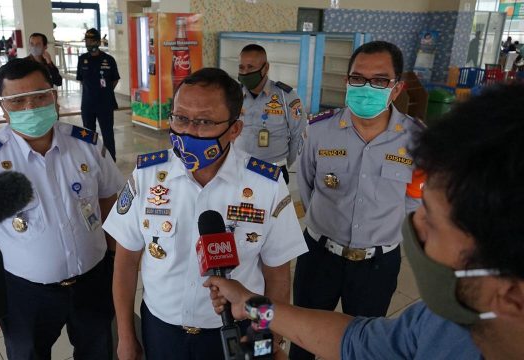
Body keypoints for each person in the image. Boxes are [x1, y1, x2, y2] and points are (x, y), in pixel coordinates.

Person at [207, 82, 524, 360]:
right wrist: (251, 305)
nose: (414, 227)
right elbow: (355, 342)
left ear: (511, 295)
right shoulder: (445, 322)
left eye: (433, 224)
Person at [102, 67, 308, 360]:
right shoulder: (147, 176)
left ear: (235, 129)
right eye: (181, 118)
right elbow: (125, 261)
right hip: (162, 329)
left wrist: (270, 338)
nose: (187, 131)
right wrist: (125, 335)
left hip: (237, 330)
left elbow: (277, 274)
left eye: (204, 122)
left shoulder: (266, 185)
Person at [0, 58, 124, 360]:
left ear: (54, 95)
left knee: (98, 350)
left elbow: (109, 199)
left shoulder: (87, 144)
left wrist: (114, 262)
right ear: (3, 107)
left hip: (93, 280)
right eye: (18, 101)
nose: (31, 107)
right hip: (23, 292)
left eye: (40, 96)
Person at [291, 41, 425, 359]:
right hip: (318, 255)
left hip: (377, 264)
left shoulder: (418, 139)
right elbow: (307, 186)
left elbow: (415, 200)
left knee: (364, 347)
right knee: (303, 339)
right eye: (357, 78)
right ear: (346, 81)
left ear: (396, 89)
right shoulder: (319, 131)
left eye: (379, 80)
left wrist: (383, 224)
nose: (366, 87)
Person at [235, 44, 306, 184]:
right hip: (239, 167)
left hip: (273, 169)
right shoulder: (233, 95)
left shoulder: (286, 96)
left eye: (251, 67)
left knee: (273, 206)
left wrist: (283, 164)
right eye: (241, 67)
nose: (245, 72)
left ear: (266, 68)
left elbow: (299, 135)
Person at [77, 28, 120, 162]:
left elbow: (114, 80)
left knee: (107, 134)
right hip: (88, 104)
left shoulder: (109, 59)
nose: (88, 43)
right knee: (88, 133)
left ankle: (111, 161)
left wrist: (103, 91)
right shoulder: (82, 59)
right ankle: (91, 159)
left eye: (91, 41)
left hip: (105, 103)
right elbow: (82, 80)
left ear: (97, 41)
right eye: (87, 41)